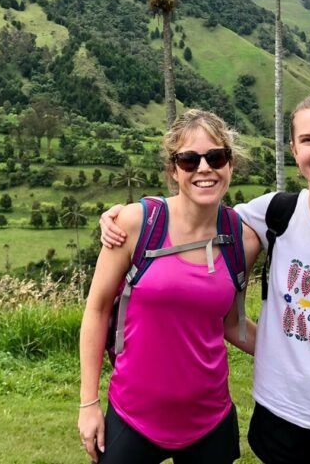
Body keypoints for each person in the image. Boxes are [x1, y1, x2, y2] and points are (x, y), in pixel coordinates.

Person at [100, 94, 310, 464]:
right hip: (281, 421)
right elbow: (193, 218)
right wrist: (127, 217)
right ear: (294, 150)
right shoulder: (275, 214)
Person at [78, 109, 261, 463]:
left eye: (216, 157)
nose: (204, 168)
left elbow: (231, 324)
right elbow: (97, 310)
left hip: (210, 420)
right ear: (173, 171)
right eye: (189, 160)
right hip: (133, 415)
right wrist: (88, 402)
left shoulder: (242, 240)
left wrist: (302, 354)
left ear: (230, 165)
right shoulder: (134, 224)